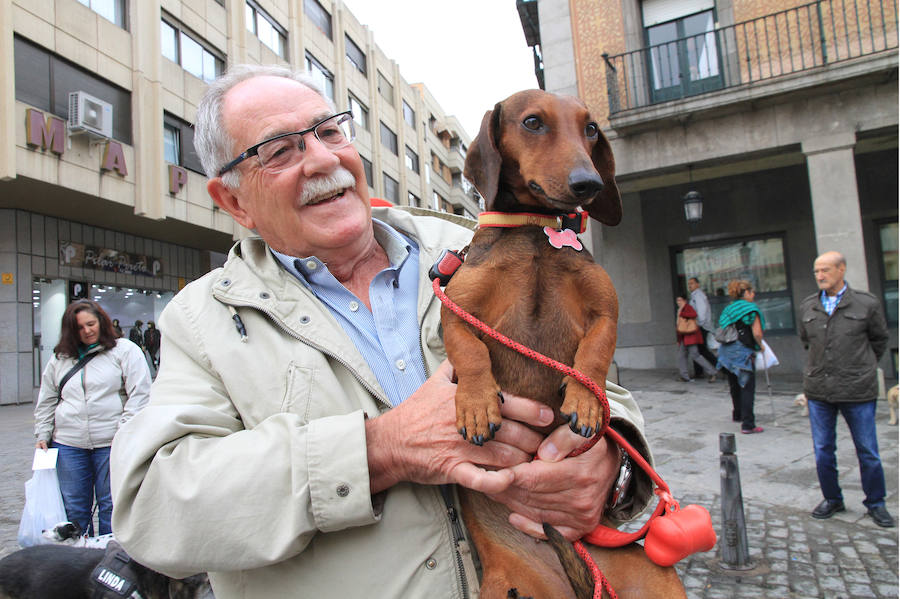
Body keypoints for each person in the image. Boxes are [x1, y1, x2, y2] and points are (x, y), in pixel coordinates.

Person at [109, 64, 654, 598]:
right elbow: (154, 508)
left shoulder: (480, 246)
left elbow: (608, 390)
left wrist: (611, 464)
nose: (323, 158)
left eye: (327, 131)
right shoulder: (201, 319)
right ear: (233, 201)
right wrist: (378, 450)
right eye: (279, 150)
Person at [34, 299, 151, 536]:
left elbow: (140, 394)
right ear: (71, 330)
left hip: (111, 443)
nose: (87, 331)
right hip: (69, 444)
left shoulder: (125, 351)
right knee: (75, 507)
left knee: (113, 505)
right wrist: (42, 432)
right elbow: (47, 397)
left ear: (101, 322)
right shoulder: (61, 358)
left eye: (91, 324)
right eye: (80, 327)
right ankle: (80, 561)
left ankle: (111, 557)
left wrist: (124, 431)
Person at [798, 251, 893, 527]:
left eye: (825, 270)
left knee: (868, 450)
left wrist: (860, 366)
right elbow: (807, 341)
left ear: (841, 269)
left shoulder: (865, 303)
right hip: (819, 389)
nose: (820, 276)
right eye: (816, 271)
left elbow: (879, 340)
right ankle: (832, 498)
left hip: (857, 390)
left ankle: (876, 502)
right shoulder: (808, 306)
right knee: (823, 450)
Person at [716, 280, 764, 434]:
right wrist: (761, 346)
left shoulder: (728, 309)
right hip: (742, 351)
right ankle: (748, 424)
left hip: (726, 351)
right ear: (746, 293)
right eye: (752, 291)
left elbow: (722, 326)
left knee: (734, 385)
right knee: (747, 387)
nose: (753, 294)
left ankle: (738, 414)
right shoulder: (751, 309)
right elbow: (757, 333)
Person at [675, 296, 717, 383]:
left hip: (690, 337)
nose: (678, 302)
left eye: (680, 300)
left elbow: (694, 315)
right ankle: (684, 376)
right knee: (681, 356)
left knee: (695, 355)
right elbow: (679, 326)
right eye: (677, 300)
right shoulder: (680, 309)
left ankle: (712, 372)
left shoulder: (687, 308)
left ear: (685, 300)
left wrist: (682, 313)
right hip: (684, 337)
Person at [687, 277, 717, 374]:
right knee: (698, 350)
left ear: (697, 284)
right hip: (699, 326)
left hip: (701, 326)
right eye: (689, 284)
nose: (690, 286)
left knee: (701, 350)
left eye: (692, 283)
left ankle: (722, 368)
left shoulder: (698, 296)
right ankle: (699, 371)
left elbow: (701, 312)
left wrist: (699, 324)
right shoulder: (694, 295)